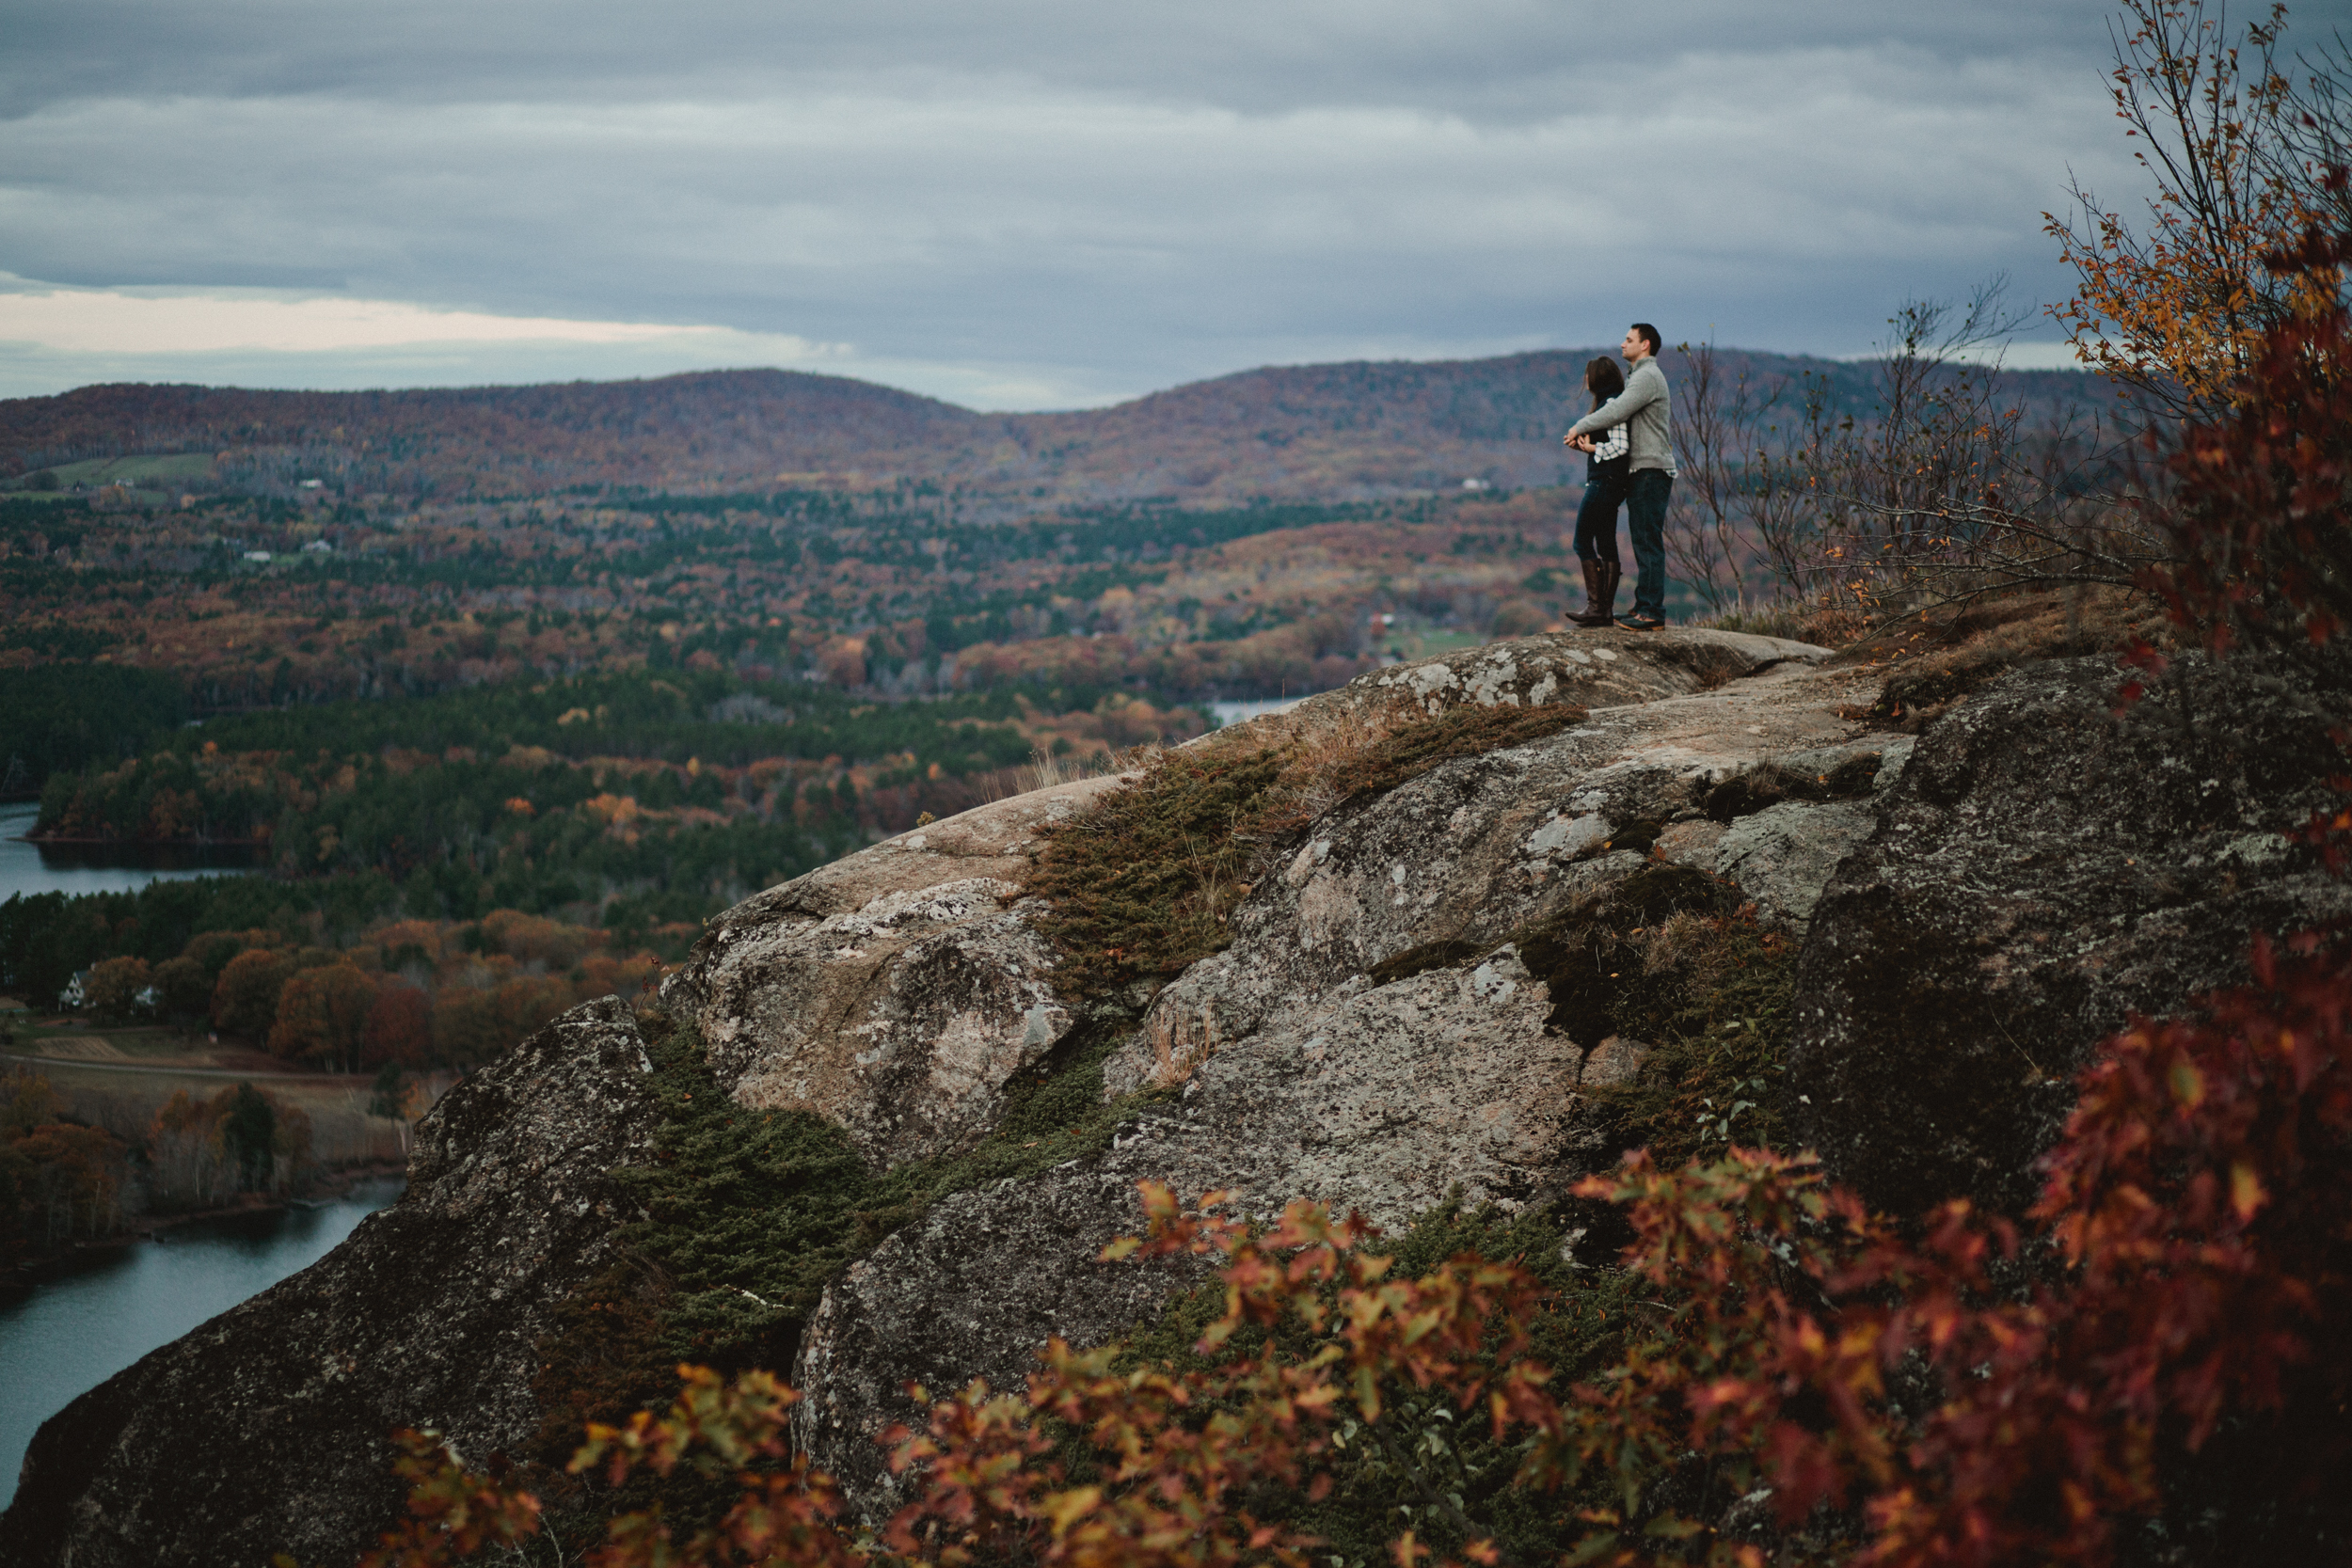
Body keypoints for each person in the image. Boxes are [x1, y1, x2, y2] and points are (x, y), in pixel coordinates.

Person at [1564, 323, 1676, 630]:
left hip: (1651, 468)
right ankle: (1643, 608)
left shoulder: (1646, 377)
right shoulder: (1638, 378)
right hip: (1642, 469)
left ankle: (1651, 612)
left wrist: (1580, 426)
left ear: (1646, 345)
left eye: (1629, 339)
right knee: (1641, 539)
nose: (1623, 344)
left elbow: (1618, 410)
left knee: (1647, 541)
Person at [1565, 356, 1629, 626]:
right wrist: (1587, 448)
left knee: (1581, 541)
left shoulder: (1612, 404)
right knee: (1605, 544)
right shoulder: (1608, 403)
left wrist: (1592, 449)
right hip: (1609, 482)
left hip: (1604, 482)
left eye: (1588, 374)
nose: (1585, 380)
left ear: (1598, 377)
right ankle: (1603, 611)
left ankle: (1597, 607)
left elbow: (1621, 446)